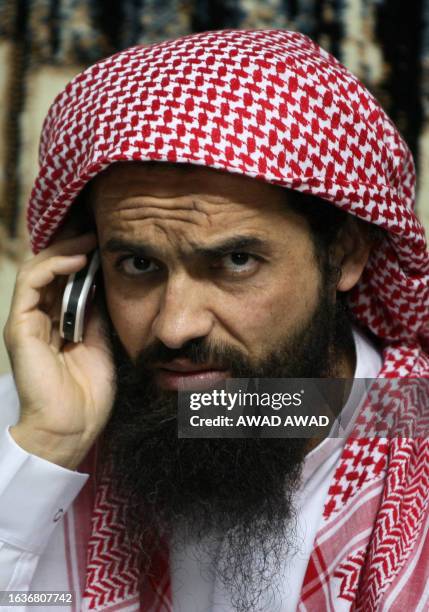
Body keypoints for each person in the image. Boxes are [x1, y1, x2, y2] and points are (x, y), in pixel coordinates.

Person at [0, 28, 428, 612]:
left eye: (235, 261)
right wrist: (48, 448)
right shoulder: (30, 430)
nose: (176, 327)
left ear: (346, 253)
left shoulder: (413, 438)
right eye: (139, 263)